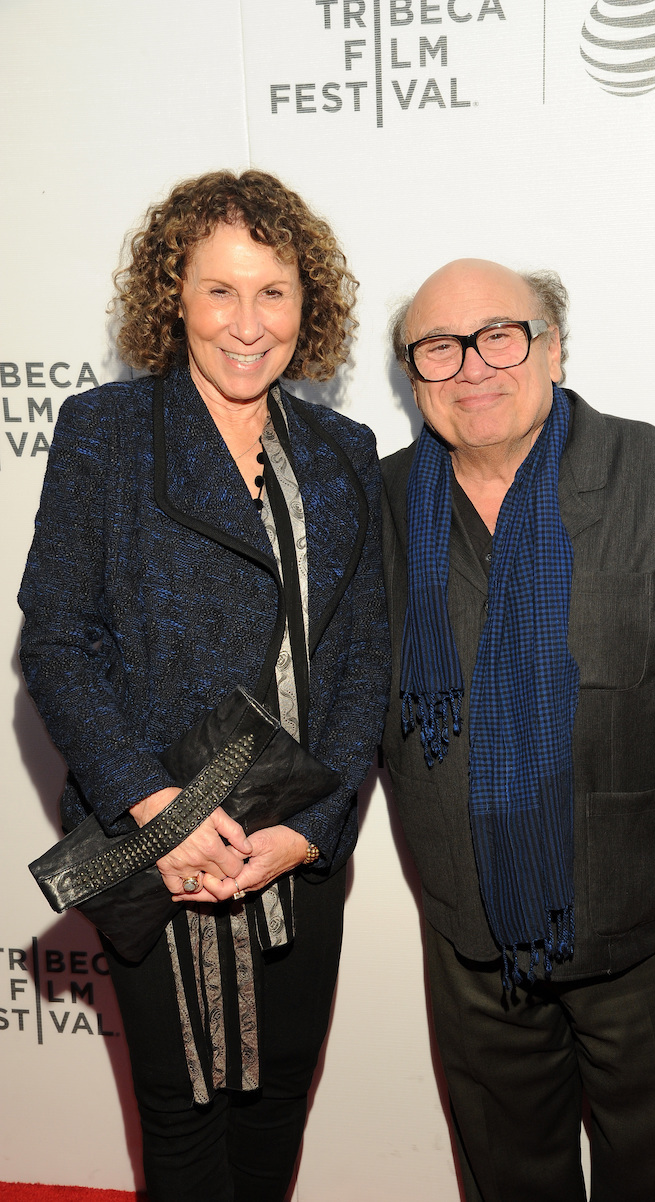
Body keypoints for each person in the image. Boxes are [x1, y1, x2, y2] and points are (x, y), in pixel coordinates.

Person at [381, 258, 655, 1202]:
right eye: (439, 347)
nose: (472, 367)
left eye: (499, 337)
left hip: (638, 909)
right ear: (413, 375)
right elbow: (341, 685)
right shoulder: (385, 500)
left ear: (553, 349)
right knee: (506, 1174)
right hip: (469, 920)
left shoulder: (644, 469)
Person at [19, 169, 389, 1202]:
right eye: (219, 290)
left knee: (275, 1113)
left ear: (307, 302)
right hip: (162, 845)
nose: (247, 322)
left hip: (296, 852)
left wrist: (311, 829)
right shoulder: (105, 432)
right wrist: (159, 809)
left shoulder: (343, 451)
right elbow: (57, 641)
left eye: (273, 291)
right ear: (171, 296)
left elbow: (366, 656)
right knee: (182, 1124)